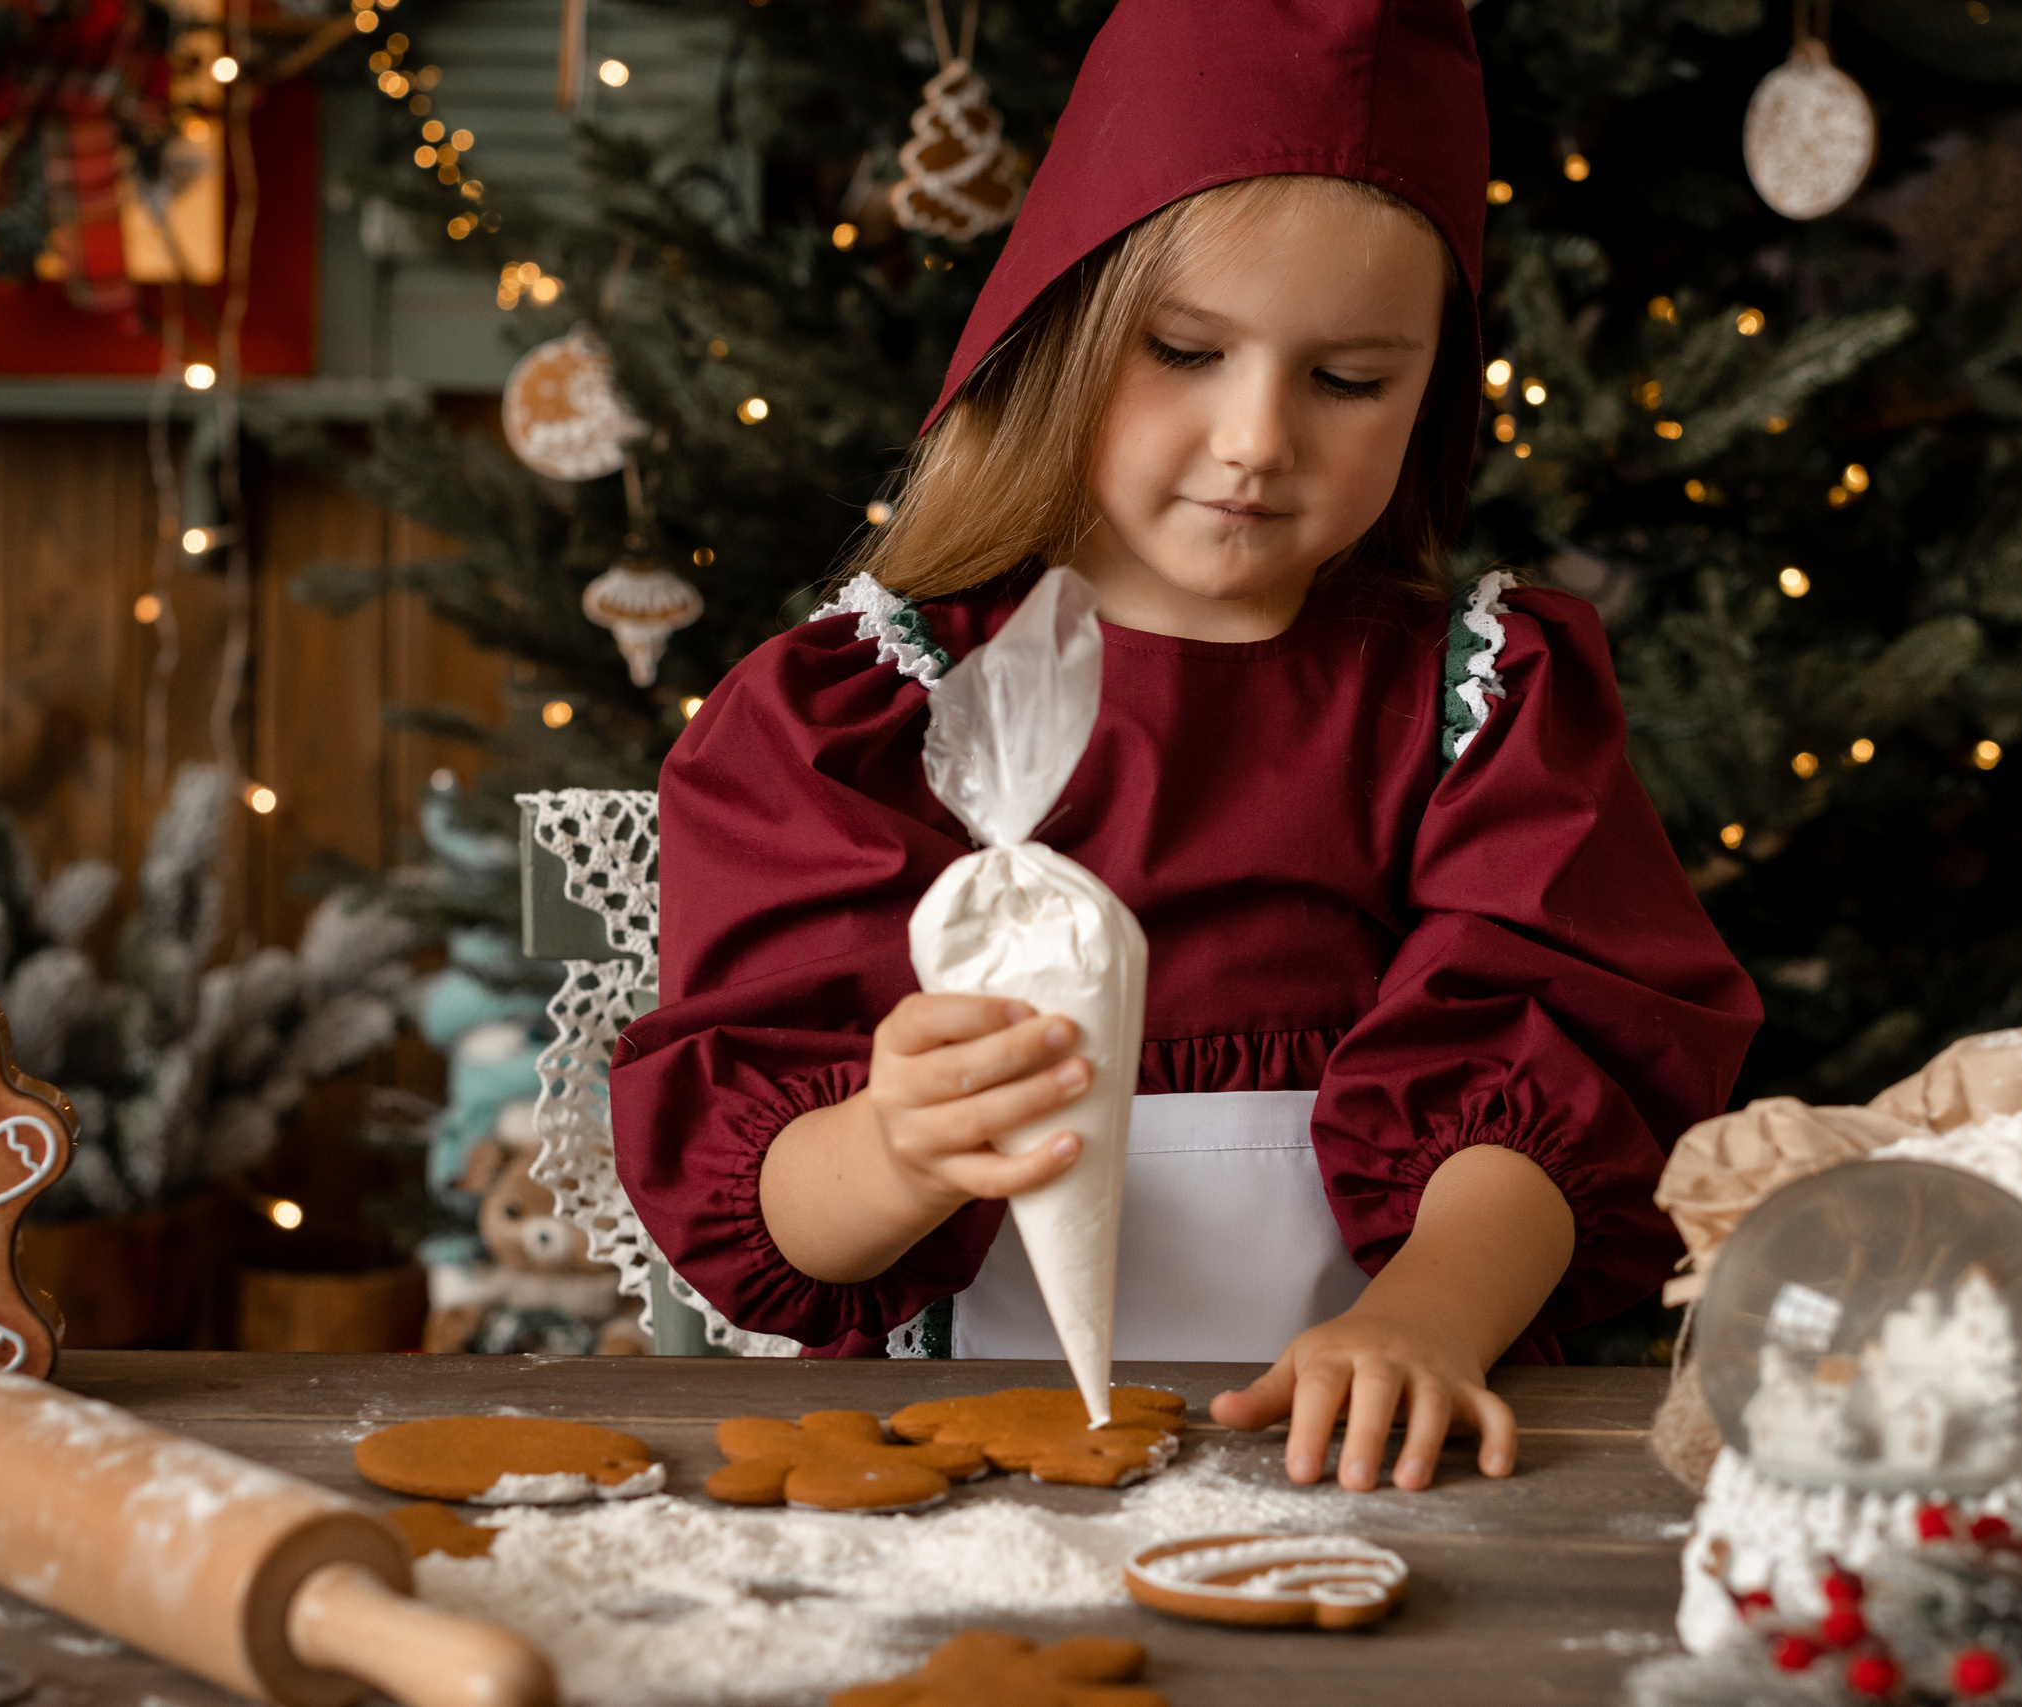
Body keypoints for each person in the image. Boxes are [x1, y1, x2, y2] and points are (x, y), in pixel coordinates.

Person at [610, 0, 1762, 1493]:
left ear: (1431, 392)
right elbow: (768, 1217)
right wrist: (895, 1144)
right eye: (1187, 350)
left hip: (1369, 1465)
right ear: (1069, 328)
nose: (1258, 437)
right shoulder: (856, 715)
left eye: (1350, 380)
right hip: (969, 1475)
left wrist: (1425, 1317)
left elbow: (1552, 1079)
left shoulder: (1481, 700)